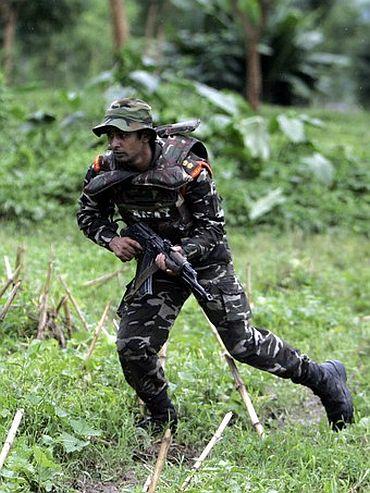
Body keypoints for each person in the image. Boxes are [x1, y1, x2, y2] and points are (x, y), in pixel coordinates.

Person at [77, 98, 353, 432]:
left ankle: (324, 378)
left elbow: (212, 228)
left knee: (243, 344)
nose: (114, 142)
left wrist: (182, 253)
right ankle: (161, 418)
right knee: (132, 346)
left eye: (123, 134)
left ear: (145, 136)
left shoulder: (188, 167)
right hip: (156, 266)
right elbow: (88, 213)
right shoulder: (103, 169)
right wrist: (112, 239)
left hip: (206, 263)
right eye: (110, 134)